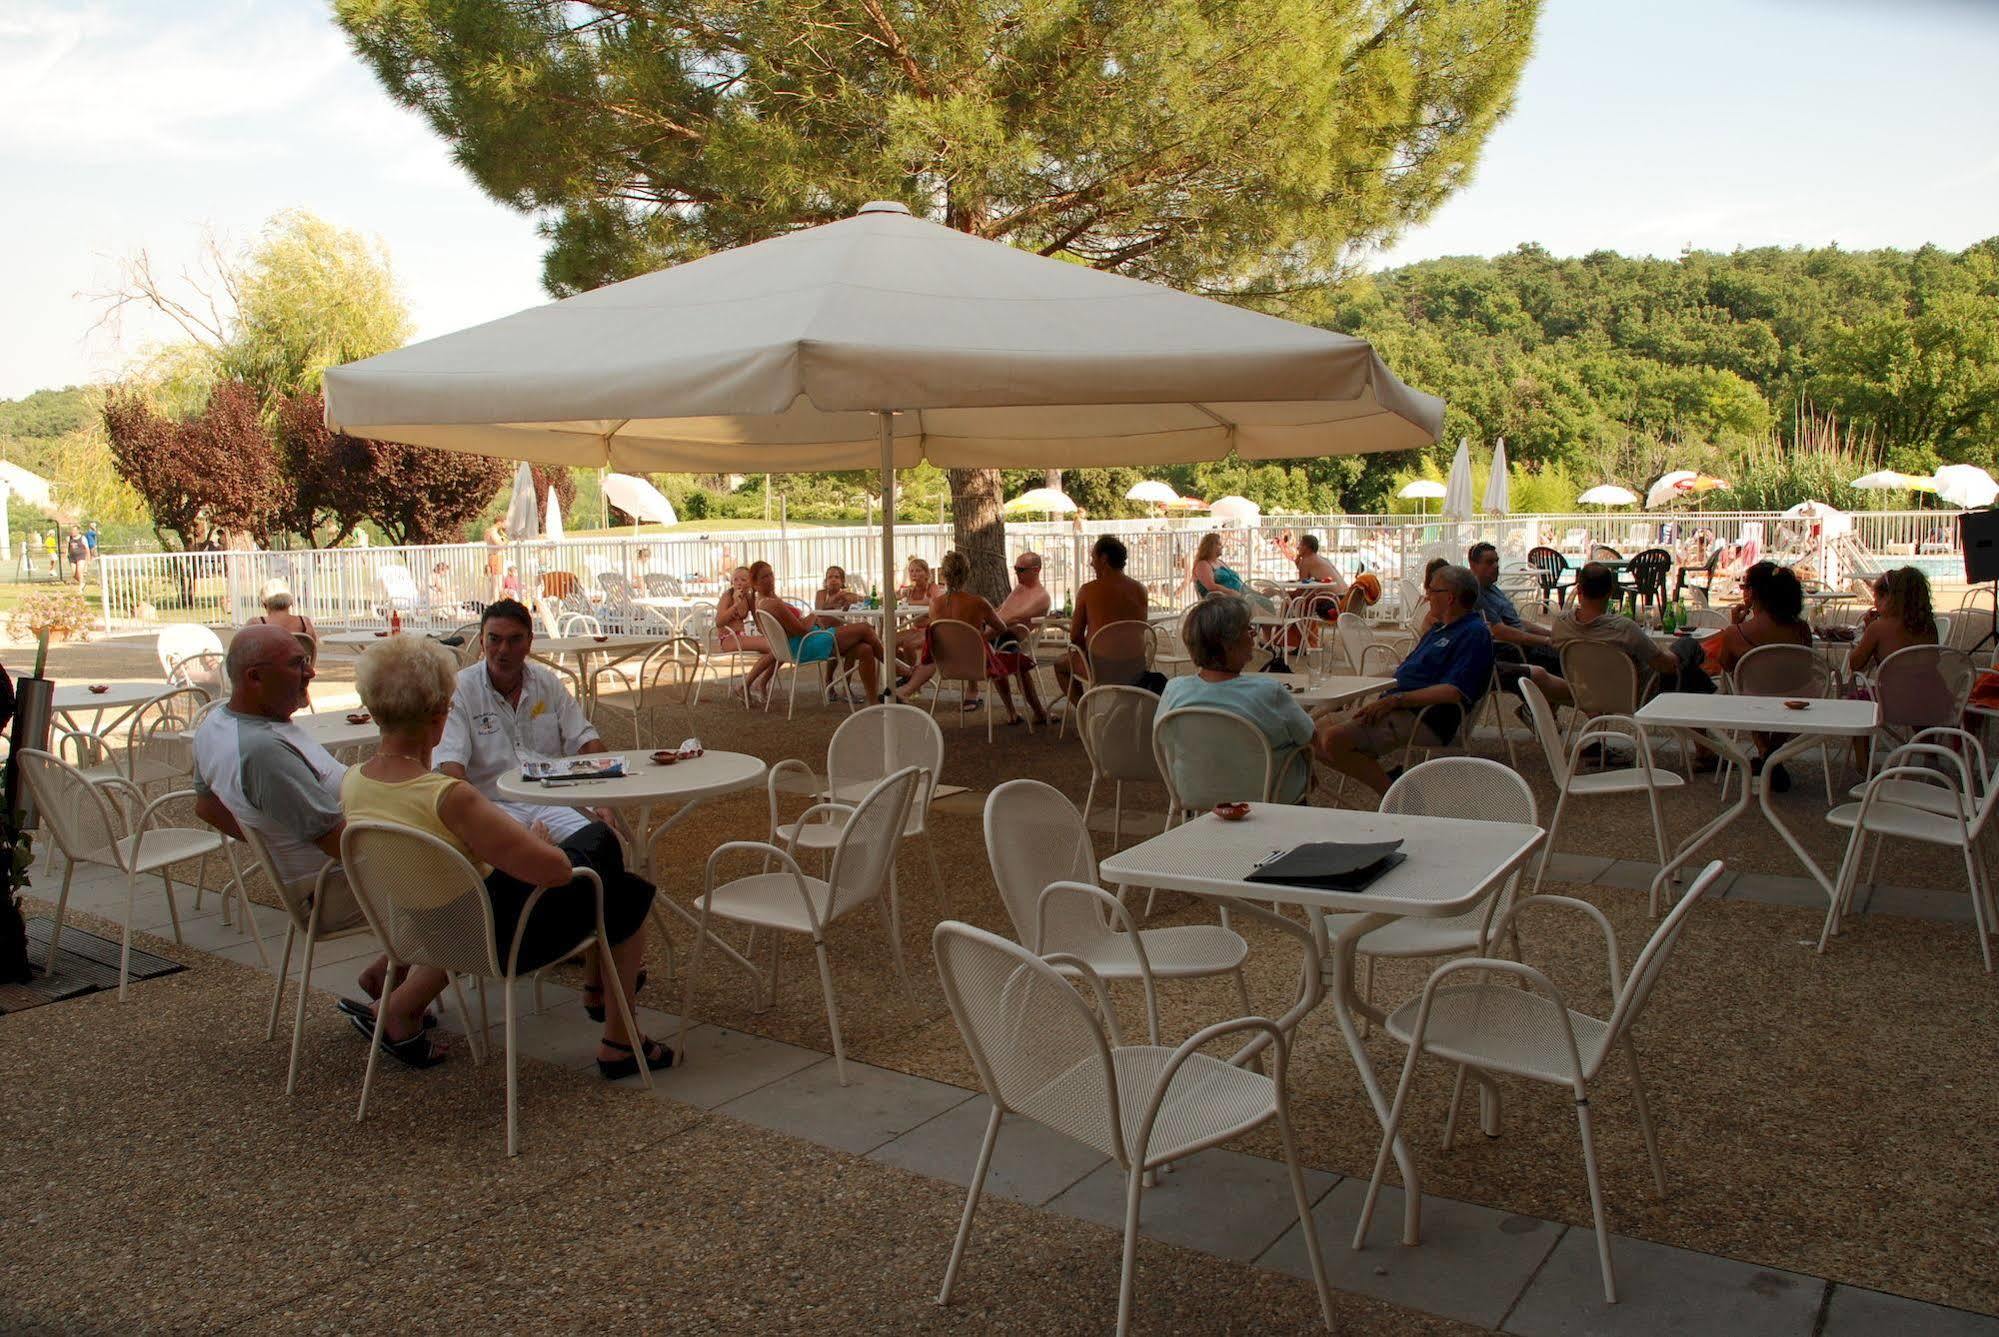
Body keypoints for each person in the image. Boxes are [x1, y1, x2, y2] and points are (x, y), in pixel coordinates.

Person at [344, 634, 667, 1075]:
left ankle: (614, 1028)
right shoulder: (449, 797)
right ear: (440, 717)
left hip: (422, 929)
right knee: (612, 863)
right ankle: (615, 1031)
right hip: (490, 940)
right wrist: (539, 843)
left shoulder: (355, 782)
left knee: (614, 884)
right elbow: (553, 872)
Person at [434, 599, 663, 1032]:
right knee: (588, 861)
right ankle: (585, 951)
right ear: (481, 641)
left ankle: (595, 963)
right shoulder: (462, 688)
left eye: (514, 639)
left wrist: (604, 800)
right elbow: (451, 770)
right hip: (492, 804)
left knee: (605, 842)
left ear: (529, 642)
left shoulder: (547, 683)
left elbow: (587, 742)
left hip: (550, 797)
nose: (502, 650)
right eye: (493, 639)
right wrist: (474, 823)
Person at [1314, 565, 1494, 795]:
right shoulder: (1440, 630)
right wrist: (1355, 691)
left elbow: (1453, 691)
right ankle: (1392, 783)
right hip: (1399, 705)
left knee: (1333, 740)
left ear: (1449, 598)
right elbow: (1403, 671)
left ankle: (1395, 797)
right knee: (1311, 732)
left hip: (1425, 715)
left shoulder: (1473, 633)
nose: (1427, 597)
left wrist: (1396, 700)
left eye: (1432, 591)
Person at [1160, 595, 1316, 802]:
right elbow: (1308, 736)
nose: (1253, 635)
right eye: (1247, 629)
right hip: (1267, 796)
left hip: (1195, 793)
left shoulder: (1174, 690)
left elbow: (1165, 739)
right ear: (1228, 644)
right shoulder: (1269, 692)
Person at [1529, 562, 1713, 707]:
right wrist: (1672, 655)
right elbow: (1665, 666)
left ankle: (1704, 744)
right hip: (1636, 695)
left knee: (1690, 667)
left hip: (1588, 694)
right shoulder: (1624, 628)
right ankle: (1705, 738)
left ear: (1579, 591)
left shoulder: (1561, 623)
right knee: (1688, 654)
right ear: (1610, 593)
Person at [895, 551, 1046, 726]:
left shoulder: (935, 604)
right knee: (1005, 656)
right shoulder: (978, 602)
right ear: (967, 574)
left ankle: (905, 690)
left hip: (946, 662)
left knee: (996, 651)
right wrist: (983, 627)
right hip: (978, 662)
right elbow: (1001, 628)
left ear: (945, 574)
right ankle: (1020, 712)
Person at [1708, 561, 1814, 790]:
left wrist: (1735, 626)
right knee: (1770, 694)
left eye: (1745, 586)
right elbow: (1807, 664)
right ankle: (1772, 755)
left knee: (1749, 695)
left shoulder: (1736, 633)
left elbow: (1726, 666)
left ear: (1754, 593)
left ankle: (1767, 753)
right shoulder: (1801, 629)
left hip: (1754, 698)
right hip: (1798, 698)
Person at [743, 561, 886, 705]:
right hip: (806, 644)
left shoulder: (765, 601)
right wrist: (814, 615)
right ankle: (898, 671)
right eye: (764, 577)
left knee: (865, 649)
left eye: (771, 574)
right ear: (755, 583)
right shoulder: (773, 603)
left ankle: (873, 702)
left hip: (806, 640)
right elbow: (802, 629)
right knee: (865, 628)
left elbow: (793, 626)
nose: (770, 579)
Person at [1845, 566, 1942, 767]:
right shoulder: (1928, 626)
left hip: (1893, 701)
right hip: (1933, 698)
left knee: (1855, 701)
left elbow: (1856, 664)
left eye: (1880, 597)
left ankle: (1864, 765)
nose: (1875, 602)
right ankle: (1930, 754)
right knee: (1916, 686)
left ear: (1893, 598)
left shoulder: (1879, 628)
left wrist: (1867, 632)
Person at [1057, 534, 1158, 702]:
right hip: (1137, 666)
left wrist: (1088, 653)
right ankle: (1119, 709)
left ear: (1103, 559)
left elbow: (1075, 637)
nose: (1091, 563)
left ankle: (1086, 712)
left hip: (1102, 668)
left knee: (1060, 664)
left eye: (1093, 558)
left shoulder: (1088, 591)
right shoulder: (1140, 589)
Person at [1467, 541, 1559, 684]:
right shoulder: (1476, 594)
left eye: (1497, 561)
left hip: (1524, 645)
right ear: (1473, 566)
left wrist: (1550, 634)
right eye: (1489, 562)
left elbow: (1517, 621)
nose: (1496, 566)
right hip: (1514, 650)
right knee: (1567, 659)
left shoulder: (1492, 588)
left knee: (1568, 652)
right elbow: (1500, 631)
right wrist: (1545, 641)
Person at [995, 550, 1051, 634]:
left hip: (1005, 637)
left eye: (1021, 570)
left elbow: (1014, 618)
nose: (1016, 573)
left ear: (1036, 570)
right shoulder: (1021, 587)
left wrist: (988, 623)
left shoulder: (1042, 597)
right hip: (997, 629)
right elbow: (1001, 609)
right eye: (1015, 568)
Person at [250, 578, 318, 647]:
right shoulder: (305, 623)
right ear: (290, 601)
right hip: (299, 658)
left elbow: (240, 646)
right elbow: (312, 649)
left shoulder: (255, 624)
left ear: (264, 603)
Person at [483, 520, 509, 601]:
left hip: (493, 557)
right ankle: (496, 604)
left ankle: (494, 603)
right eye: (504, 522)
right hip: (496, 558)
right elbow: (499, 545)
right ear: (499, 522)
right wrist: (506, 541)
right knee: (497, 584)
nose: (505, 524)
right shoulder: (493, 532)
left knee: (495, 583)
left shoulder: (489, 531)